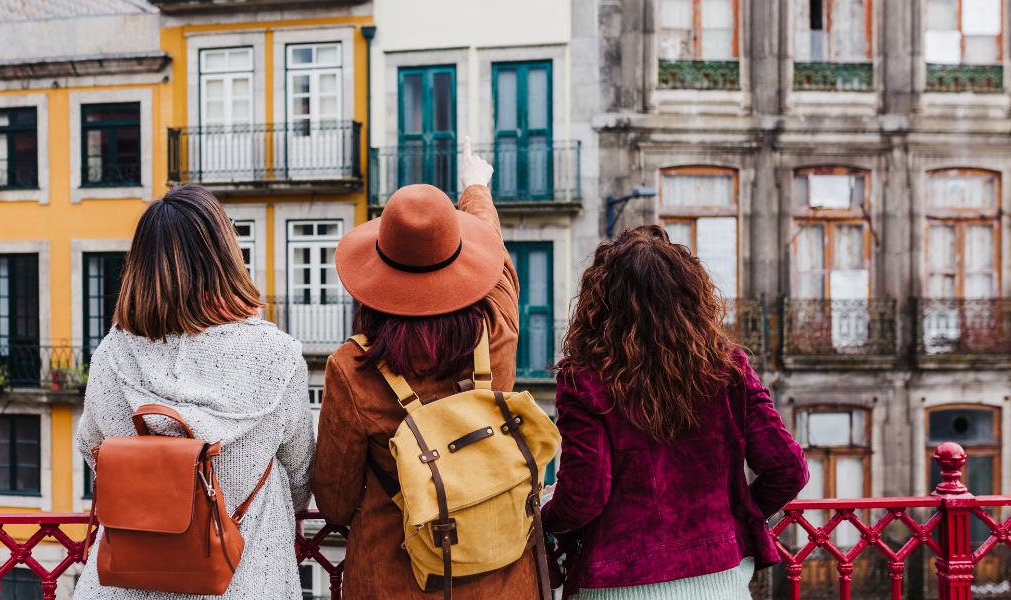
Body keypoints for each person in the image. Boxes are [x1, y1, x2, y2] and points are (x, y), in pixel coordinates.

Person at [311, 138, 541, 599]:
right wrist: (475, 188)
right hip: (503, 580)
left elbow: (334, 503)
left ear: (376, 275)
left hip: (395, 582)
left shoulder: (353, 368)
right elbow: (496, 258)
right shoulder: (496, 325)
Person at [73, 184, 315, 600]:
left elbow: (94, 452)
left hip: (125, 583)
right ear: (226, 255)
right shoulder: (279, 356)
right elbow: (299, 476)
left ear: (140, 265)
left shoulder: (111, 354)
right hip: (244, 580)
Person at [541, 225, 809, 600]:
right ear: (691, 298)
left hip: (616, 583)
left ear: (600, 304)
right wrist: (734, 515)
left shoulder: (585, 380)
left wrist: (546, 517)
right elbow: (788, 469)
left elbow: (584, 495)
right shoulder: (729, 369)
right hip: (722, 579)